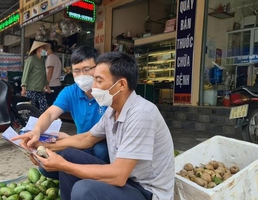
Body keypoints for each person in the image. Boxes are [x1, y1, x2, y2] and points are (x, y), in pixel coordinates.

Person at [15, 51, 175, 200]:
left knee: (84, 189)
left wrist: (63, 165)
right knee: (69, 153)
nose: (94, 87)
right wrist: (41, 145)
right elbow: (87, 138)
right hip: (128, 180)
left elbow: (118, 176)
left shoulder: (141, 114)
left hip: (146, 191)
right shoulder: (113, 110)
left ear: (121, 85)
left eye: (99, 81)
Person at [14, 46, 109, 180]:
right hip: (81, 142)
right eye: (76, 71)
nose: (81, 75)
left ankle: (101, 181)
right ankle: (81, 176)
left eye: (87, 69)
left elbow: (92, 138)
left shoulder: (108, 92)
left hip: (103, 144)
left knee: (101, 149)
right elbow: (50, 114)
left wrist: (50, 144)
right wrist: (37, 130)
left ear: (98, 67)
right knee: (45, 168)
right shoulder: (70, 92)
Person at [21, 41, 51, 114]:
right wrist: (23, 87)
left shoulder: (42, 61)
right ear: (38, 49)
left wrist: (47, 86)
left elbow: (43, 75)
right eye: (43, 48)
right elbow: (25, 73)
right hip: (31, 89)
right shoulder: (31, 60)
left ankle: (39, 120)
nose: (44, 50)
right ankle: (30, 123)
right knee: (31, 109)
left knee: (44, 106)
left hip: (40, 89)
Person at [44, 40, 63, 107]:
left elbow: (50, 71)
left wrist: (47, 84)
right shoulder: (56, 57)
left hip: (51, 85)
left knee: (50, 106)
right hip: (57, 84)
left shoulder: (50, 57)